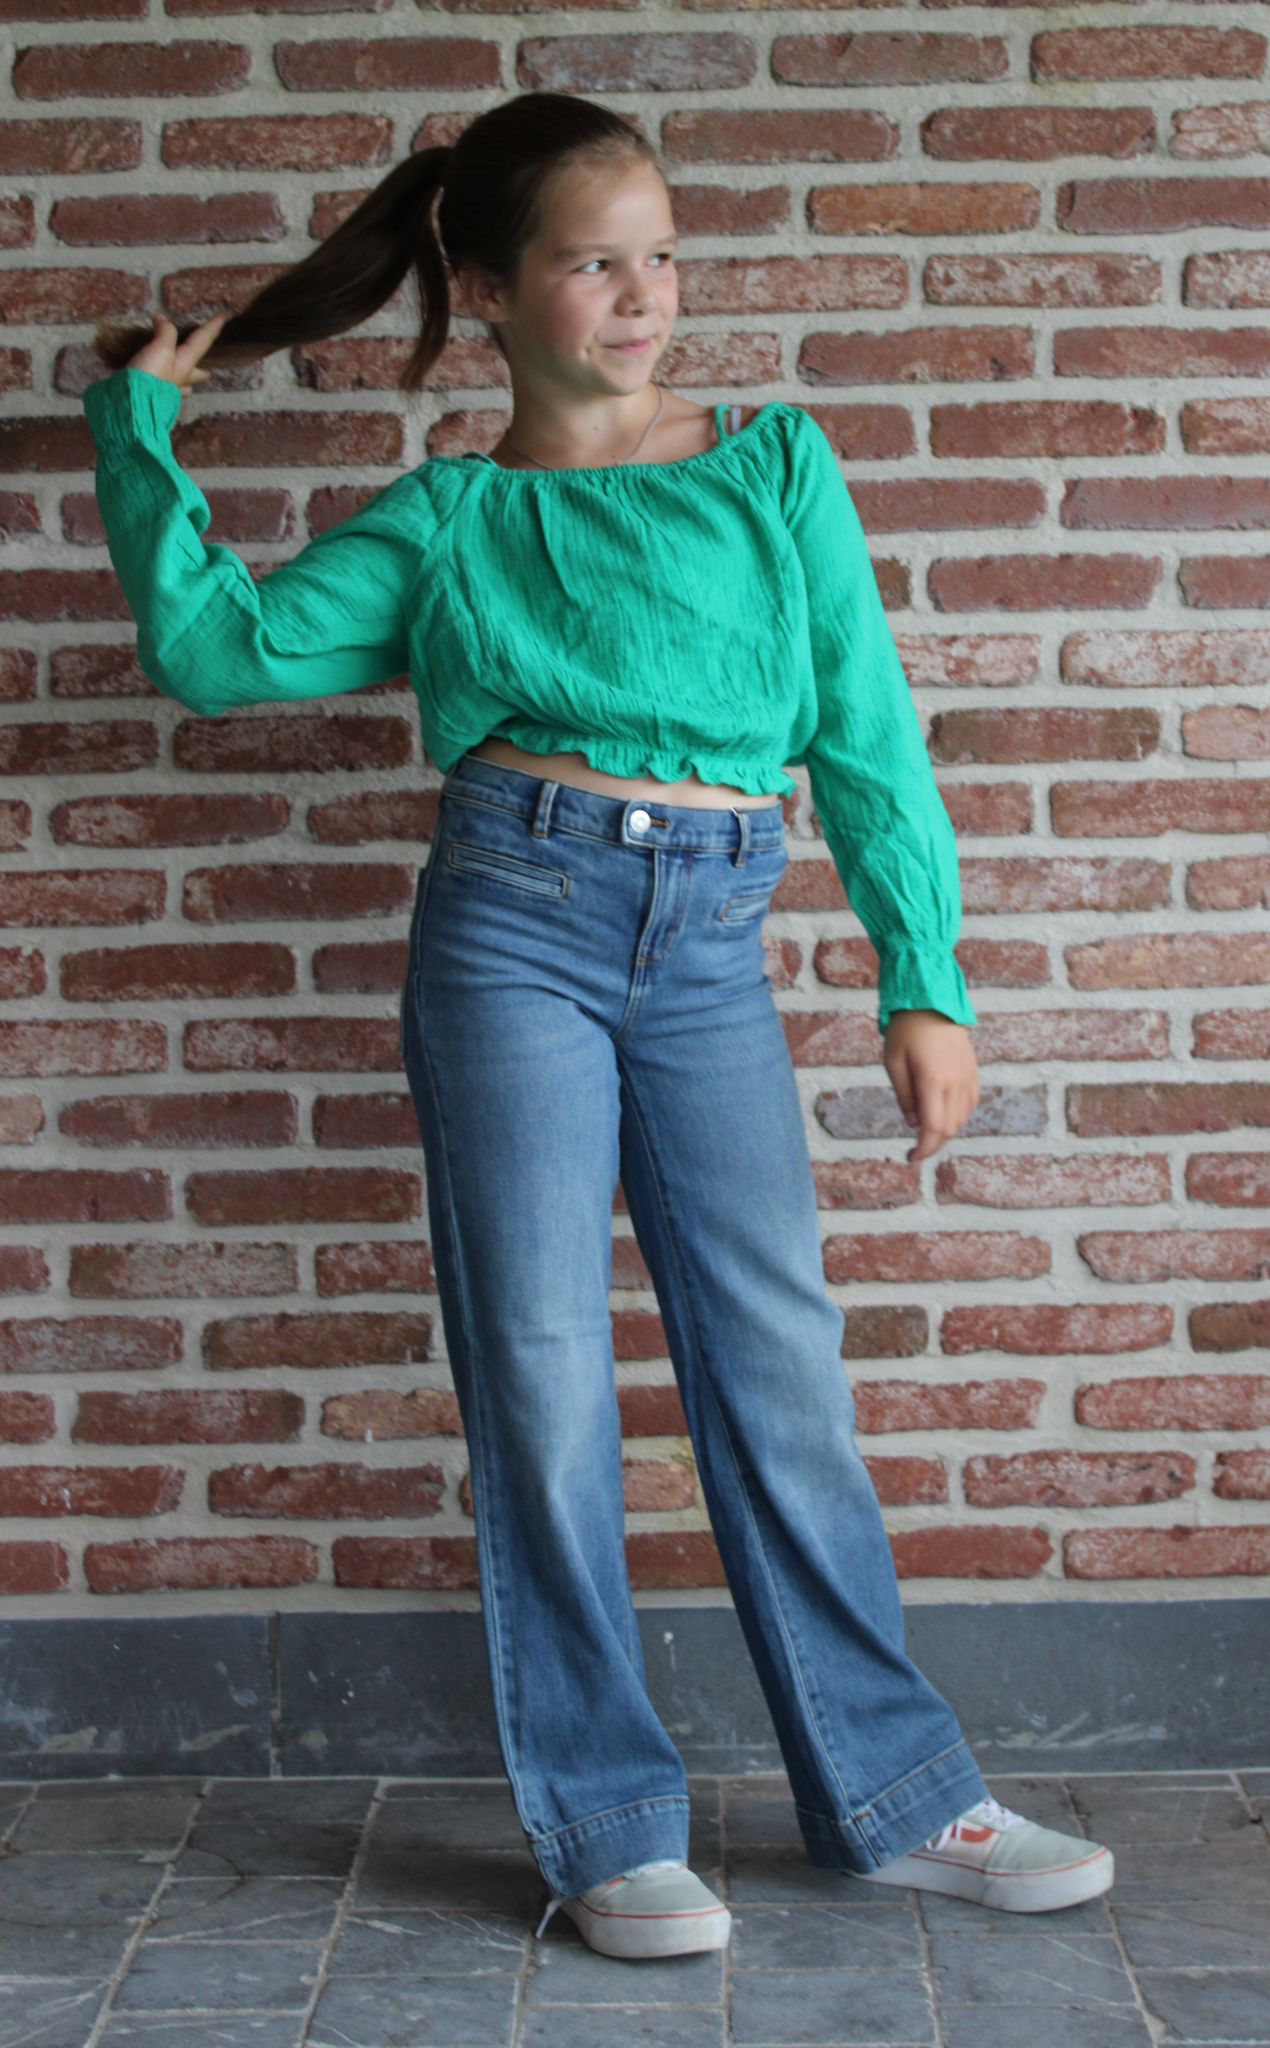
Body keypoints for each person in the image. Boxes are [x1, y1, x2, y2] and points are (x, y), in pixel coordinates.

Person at [83, 88, 1113, 1963]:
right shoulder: (451, 520)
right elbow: (217, 656)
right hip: (513, 933)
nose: (643, 299)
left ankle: (898, 1797)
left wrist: (923, 976)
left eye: (661, 258)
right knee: (545, 1374)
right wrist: (139, 435)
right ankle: (609, 1826)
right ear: (486, 290)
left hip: (714, 943)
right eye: (592, 265)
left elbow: (865, 731)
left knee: (778, 1365)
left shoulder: (772, 468)